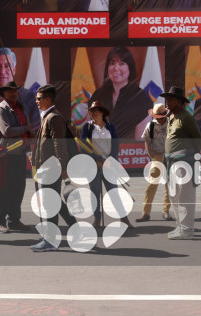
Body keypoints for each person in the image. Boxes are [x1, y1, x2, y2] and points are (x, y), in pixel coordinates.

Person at [30, 84, 78, 251]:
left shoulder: (53, 118)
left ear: (48, 99)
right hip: (45, 169)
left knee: (49, 205)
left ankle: (50, 241)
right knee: (54, 202)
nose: (36, 101)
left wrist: (63, 170)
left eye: (38, 98)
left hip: (51, 169)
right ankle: (77, 229)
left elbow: (59, 145)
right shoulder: (47, 117)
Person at [79, 101, 133, 229]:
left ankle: (123, 218)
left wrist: (110, 160)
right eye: (91, 111)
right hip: (93, 165)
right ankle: (97, 218)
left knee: (113, 191)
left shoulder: (110, 126)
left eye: (95, 111)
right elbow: (83, 146)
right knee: (95, 192)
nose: (92, 113)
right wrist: (97, 159)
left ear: (102, 112)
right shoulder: (87, 127)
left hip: (109, 164)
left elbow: (115, 144)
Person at [161, 86, 201, 240]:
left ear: (179, 101)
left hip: (184, 162)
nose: (167, 102)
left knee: (185, 196)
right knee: (174, 196)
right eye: (166, 99)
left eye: (170, 99)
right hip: (171, 162)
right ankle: (180, 227)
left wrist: (193, 157)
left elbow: (198, 139)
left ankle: (187, 230)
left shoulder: (186, 117)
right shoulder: (171, 117)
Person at [0, 81, 34, 233]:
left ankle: (14, 220)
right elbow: (7, 131)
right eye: (8, 91)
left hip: (20, 153)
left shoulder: (22, 107)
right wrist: (25, 129)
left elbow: (28, 128)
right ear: (2, 94)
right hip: (6, 154)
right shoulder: (1, 109)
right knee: (5, 187)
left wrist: (28, 135)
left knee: (19, 188)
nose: (12, 93)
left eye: (14, 91)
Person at [88, 47, 153, 140]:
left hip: (129, 152)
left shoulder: (141, 98)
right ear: (108, 68)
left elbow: (141, 142)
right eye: (112, 63)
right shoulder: (98, 95)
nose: (116, 68)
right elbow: (88, 131)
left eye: (122, 63)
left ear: (129, 68)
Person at [136, 103, 172, 223]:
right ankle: (146, 213)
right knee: (151, 184)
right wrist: (151, 154)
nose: (158, 118)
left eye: (160, 116)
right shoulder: (150, 125)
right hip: (156, 155)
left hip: (169, 156)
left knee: (170, 185)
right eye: (156, 116)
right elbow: (146, 139)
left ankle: (166, 211)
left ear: (164, 115)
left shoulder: (171, 124)